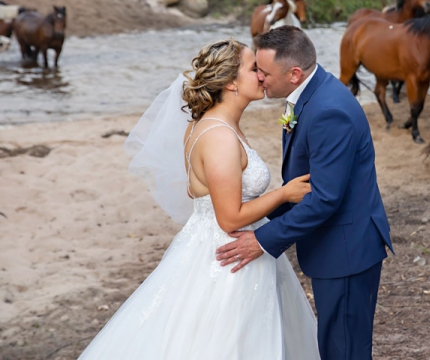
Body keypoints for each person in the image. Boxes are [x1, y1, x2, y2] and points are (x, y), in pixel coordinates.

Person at [78, 38, 321, 359]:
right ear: (231, 82)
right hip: (229, 255)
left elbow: (196, 189)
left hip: (220, 244)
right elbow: (230, 218)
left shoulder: (212, 124)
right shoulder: (219, 136)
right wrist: (284, 194)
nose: (262, 75)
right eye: (254, 68)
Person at [216, 26, 393, 360]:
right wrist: (254, 217)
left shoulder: (328, 112)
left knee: (343, 351)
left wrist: (262, 240)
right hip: (337, 246)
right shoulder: (311, 94)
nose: (259, 77)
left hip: (346, 250)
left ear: (294, 74)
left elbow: (324, 198)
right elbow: (300, 186)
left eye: (264, 72)